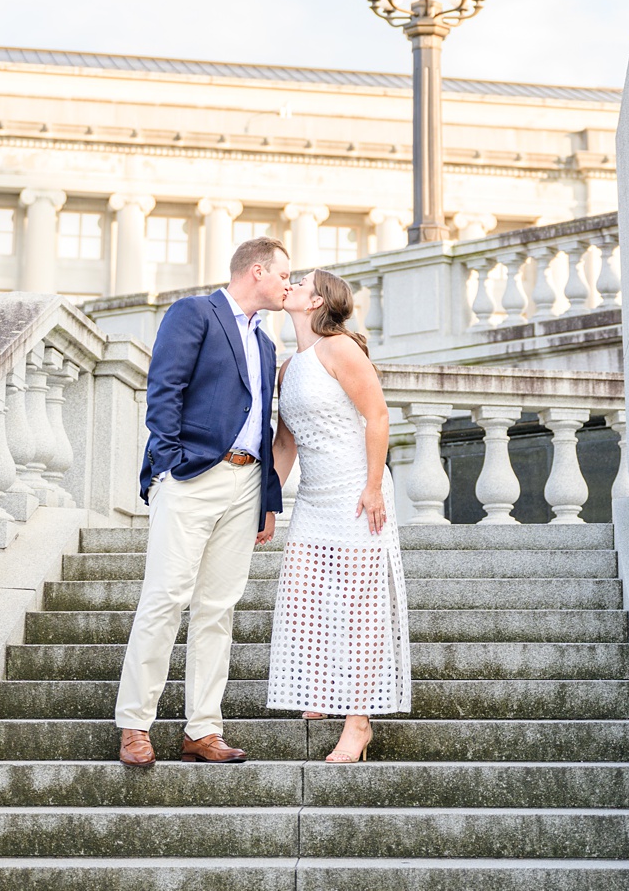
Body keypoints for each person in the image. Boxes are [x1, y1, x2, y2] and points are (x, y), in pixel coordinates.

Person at [115, 235, 290, 767]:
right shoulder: (194, 313)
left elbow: (263, 424)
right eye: (284, 274)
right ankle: (134, 726)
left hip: (245, 483)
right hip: (191, 475)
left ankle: (203, 730)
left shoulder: (265, 344)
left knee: (218, 609)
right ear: (256, 270)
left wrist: (268, 497)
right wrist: (168, 465)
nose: (289, 284)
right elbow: (163, 388)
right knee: (166, 597)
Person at [266, 267, 409, 760]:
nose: (291, 286)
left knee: (360, 607)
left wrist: (373, 486)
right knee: (306, 594)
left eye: (300, 283)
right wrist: (270, 501)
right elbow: (285, 443)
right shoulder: (289, 366)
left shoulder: (340, 348)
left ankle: (358, 721)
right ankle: (323, 691)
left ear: (316, 301)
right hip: (314, 499)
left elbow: (378, 415)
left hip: (356, 491)